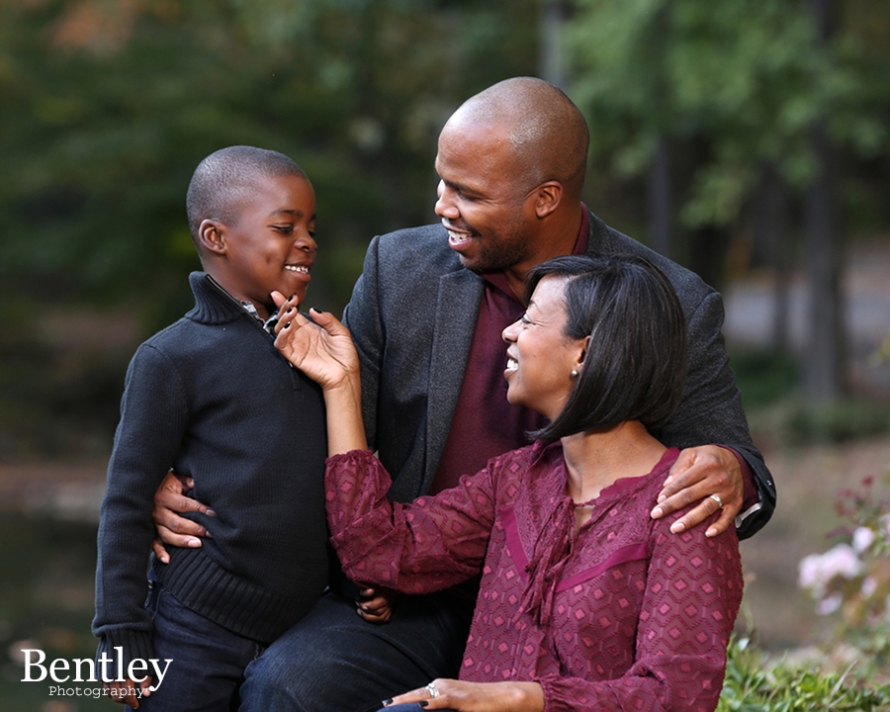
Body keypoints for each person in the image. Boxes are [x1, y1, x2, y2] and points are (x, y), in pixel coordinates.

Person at [152, 77, 774, 712]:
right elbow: (310, 413)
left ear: (545, 198)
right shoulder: (398, 269)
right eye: (442, 180)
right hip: (409, 590)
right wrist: (182, 467)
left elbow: (737, 465)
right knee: (291, 685)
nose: (441, 205)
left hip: (586, 610)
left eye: (468, 193)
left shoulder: (669, 300)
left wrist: (728, 468)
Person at [274, 252, 744, 712]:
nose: (509, 331)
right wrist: (341, 385)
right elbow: (378, 550)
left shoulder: (689, 503)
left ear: (586, 351)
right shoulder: (517, 479)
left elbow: (675, 697)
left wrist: (520, 697)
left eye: (531, 321)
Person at [92, 146, 388, 711]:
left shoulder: (321, 351)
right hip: (194, 627)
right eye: (285, 226)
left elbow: (337, 479)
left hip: (303, 631)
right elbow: (127, 501)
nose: (307, 240)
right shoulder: (171, 357)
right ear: (216, 236)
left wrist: (361, 579)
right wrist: (119, 632)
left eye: (311, 226)